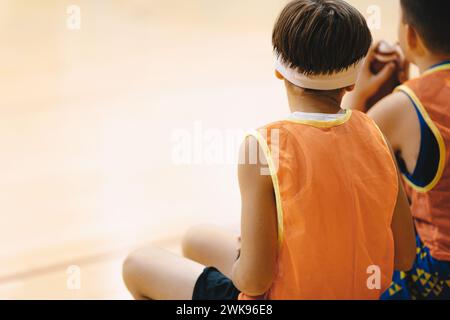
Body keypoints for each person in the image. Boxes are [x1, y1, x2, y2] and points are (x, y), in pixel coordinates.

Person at [122, 0, 416, 300]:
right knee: (197, 238)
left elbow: (253, 281)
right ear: (353, 83)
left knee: (137, 264)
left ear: (279, 70)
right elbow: (405, 256)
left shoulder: (264, 146)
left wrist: (243, 262)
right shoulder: (377, 134)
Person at [346, 0, 450, 300]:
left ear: (411, 36)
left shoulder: (399, 108)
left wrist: (356, 94)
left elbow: (340, 161)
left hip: (437, 274)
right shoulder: (404, 104)